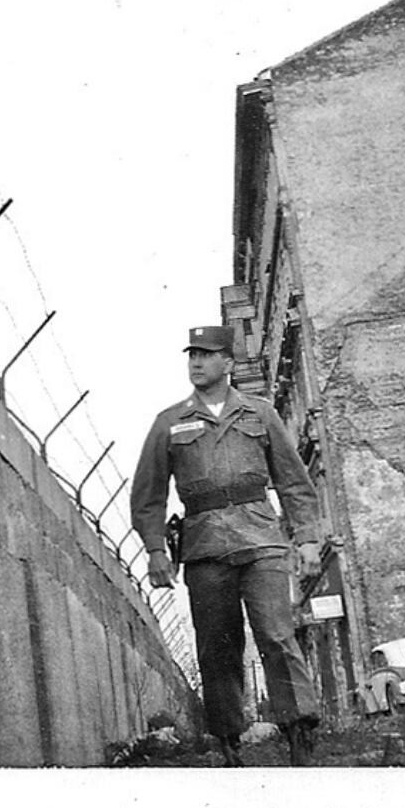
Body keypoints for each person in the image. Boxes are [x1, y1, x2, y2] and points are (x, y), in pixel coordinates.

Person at [130, 325, 324, 766]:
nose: (196, 362)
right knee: (217, 644)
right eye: (191, 355)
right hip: (204, 545)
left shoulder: (260, 413)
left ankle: (300, 729)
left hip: (260, 537)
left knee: (276, 633)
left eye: (206, 354)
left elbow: (294, 481)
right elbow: (148, 495)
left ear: (228, 364)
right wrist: (156, 550)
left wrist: (308, 539)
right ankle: (228, 739)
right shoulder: (170, 422)